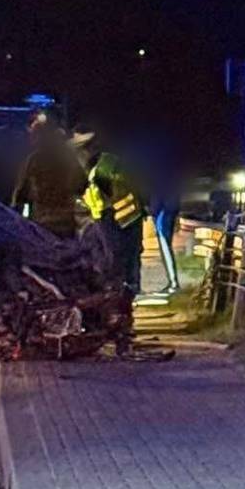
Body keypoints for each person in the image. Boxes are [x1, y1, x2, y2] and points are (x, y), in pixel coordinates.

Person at [82, 149, 145, 356]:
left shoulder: (98, 172)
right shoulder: (110, 164)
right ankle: (123, 325)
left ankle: (119, 327)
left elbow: (101, 205)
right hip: (129, 220)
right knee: (127, 273)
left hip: (116, 222)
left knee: (115, 273)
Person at [11, 116, 87, 239]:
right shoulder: (69, 159)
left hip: (41, 224)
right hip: (66, 223)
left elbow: (20, 196)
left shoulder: (34, 160)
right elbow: (82, 185)